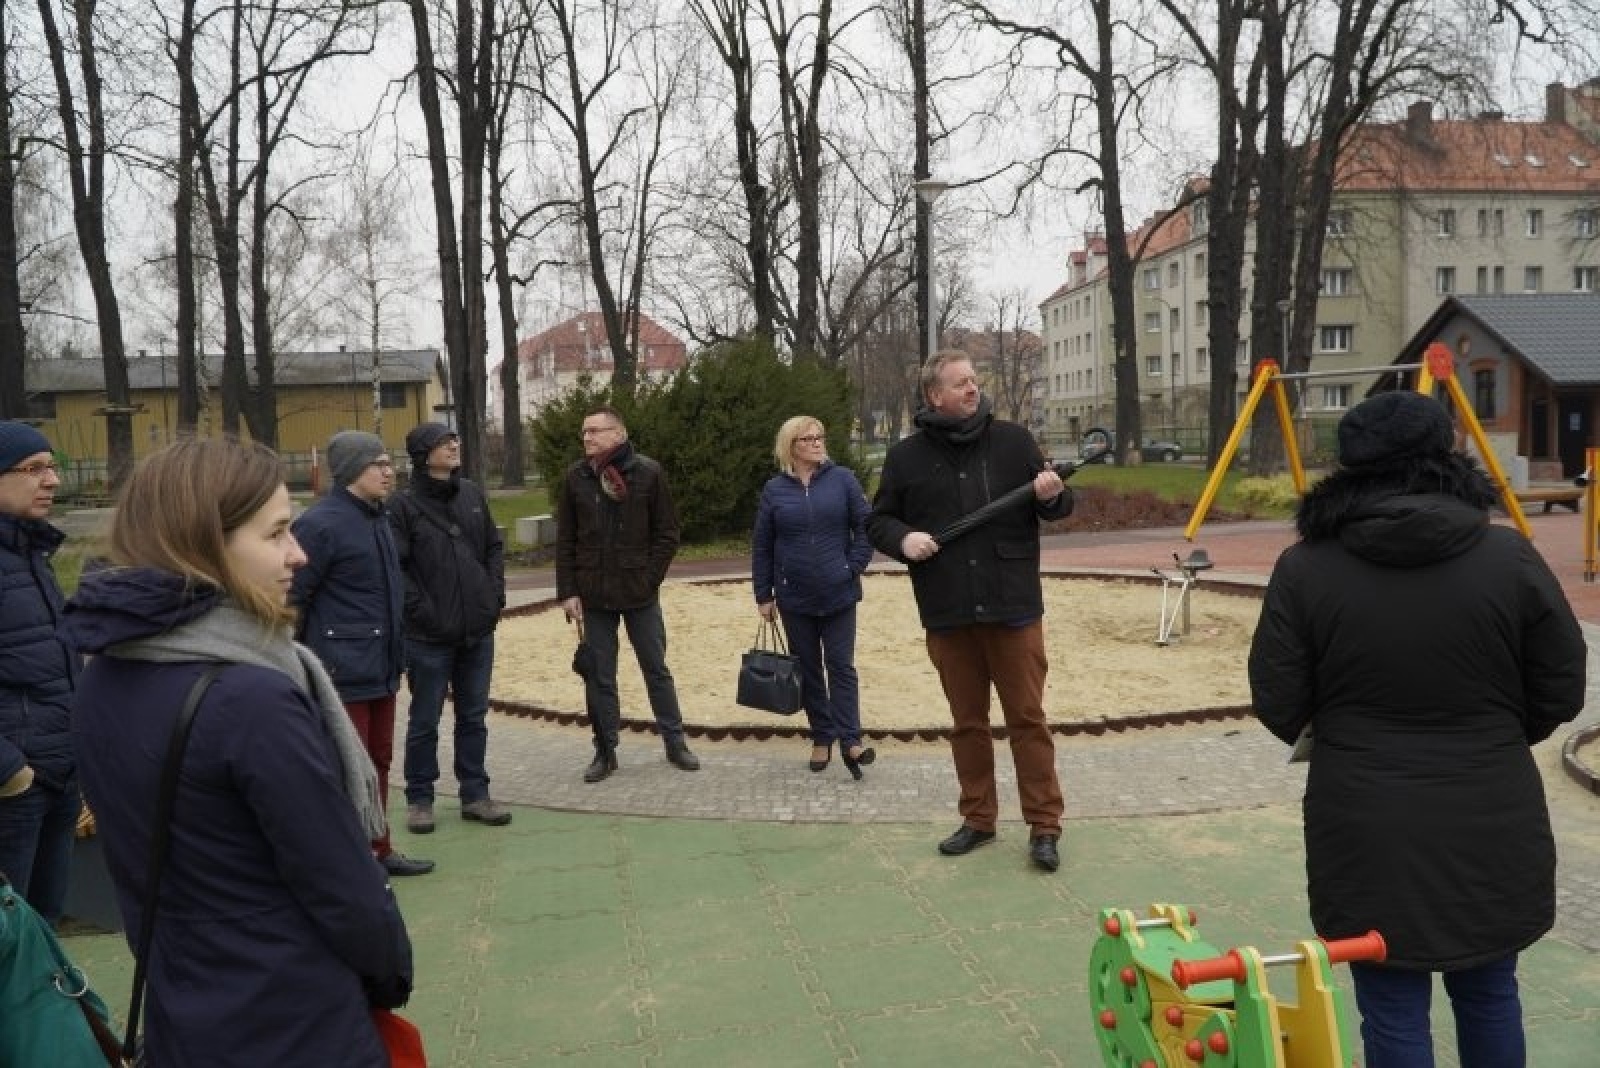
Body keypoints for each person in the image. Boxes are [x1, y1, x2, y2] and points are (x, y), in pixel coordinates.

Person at [1248, 390, 1585, 1067]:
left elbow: (1278, 697)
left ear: (1348, 467)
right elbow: (1562, 684)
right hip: (1491, 804)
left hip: (1364, 815)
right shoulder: (1509, 559)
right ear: (1445, 453)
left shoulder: (1306, 568)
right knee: (1491, 990)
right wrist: (1497, 731)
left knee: (1390, 1002)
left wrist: (1338, 733)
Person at [64, 439, 413, 1065]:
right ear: (202, 545)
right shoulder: (250, 698)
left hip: (183, 1004)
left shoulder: (102, 672)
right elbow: (342, 884)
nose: (298, 553)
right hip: (292, 1018)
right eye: (276, 533)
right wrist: (390, 969)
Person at [867, 354, 1071, 872]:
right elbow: (878, 521)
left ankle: (1044, 826)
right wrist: (904, 538)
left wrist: (1053, 495)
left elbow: (1057, 507)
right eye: (961, 384)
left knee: (1027, 719)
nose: (972, 390)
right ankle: (979, 819)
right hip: (948, 608)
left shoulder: (1013, 442)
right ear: (934, 395)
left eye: (975, 382)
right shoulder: (906, 457)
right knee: (968, 723)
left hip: (1013, 606)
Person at [291, 431, 434, 877]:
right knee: (346, 767)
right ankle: (349, 860)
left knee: (378, 762)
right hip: (340, 671)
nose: (390, 472)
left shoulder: (378, 519)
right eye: (379, 464)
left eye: (390, 463)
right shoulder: (320, 525)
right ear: (352, 470)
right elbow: (294, 598)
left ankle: (379, 848)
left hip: (382, 665)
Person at [556, 405, 700, 782]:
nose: (587, 437)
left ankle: (675, 741)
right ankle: (605, 750)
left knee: (656, 669)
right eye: (584, 431)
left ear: (618, 434)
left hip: (640, 593)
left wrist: (649, 579)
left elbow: (667, 534)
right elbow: (566, 539)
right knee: (600, 675)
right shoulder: (576, 478)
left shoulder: (648, 473)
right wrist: (569, 591)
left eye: (595, 431)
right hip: (594, 594)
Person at [389, 422, 511, 832]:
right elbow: (397, 570)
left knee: (473, 716)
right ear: (424, 455)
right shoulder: (402, 507)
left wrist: (494, 597)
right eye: (444, 443)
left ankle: (475, 793)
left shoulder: (473, 494)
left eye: (455, 439)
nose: (454, 446)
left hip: (477, 630)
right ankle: (420, 798)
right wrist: (421, 612)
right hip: (428, 636)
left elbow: (493, 547)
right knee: (424, 719)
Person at [751, 415, 876, 778]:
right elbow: (763, 546)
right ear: (791, 447)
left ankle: (851, 740)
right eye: (807, 439)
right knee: (807, 670)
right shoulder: (775, 490)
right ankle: (822, 736)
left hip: (839, 594)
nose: (817, 443)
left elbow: (865, 529)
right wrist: (764, 594)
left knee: (841, 666)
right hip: (794, 598)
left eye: (820, 437)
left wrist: (850, 568)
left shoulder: (843, 480)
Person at [0, 422, 77, 925]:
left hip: (61, 776)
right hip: (14, 789)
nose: (50, 480)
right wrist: (9, 772)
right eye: (33, 469)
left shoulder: (32, 554)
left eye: (52, 467)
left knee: (41, 938)